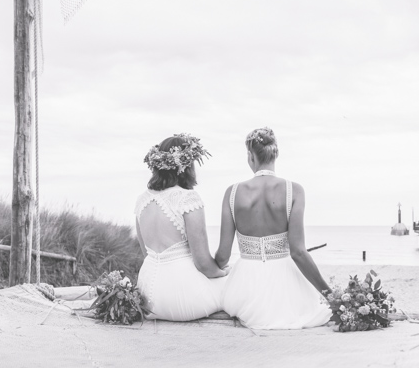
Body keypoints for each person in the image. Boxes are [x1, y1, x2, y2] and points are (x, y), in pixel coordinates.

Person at [216, 127, 332, 329]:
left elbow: (223, 256)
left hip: (245, 288)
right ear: (275, 154)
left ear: (251, 156)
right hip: (285, 291)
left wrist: (211, 268)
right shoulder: (294, 190)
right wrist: (330, 295)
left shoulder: (231, 193)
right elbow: (298, 252)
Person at [135, 134, 227, 321]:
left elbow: (146, 252)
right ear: (186, 166)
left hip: (146, 295)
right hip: (182, 297)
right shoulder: (188, 199)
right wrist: (222, 272)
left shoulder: (141, 200)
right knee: (230, 284)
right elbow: (202, 263)